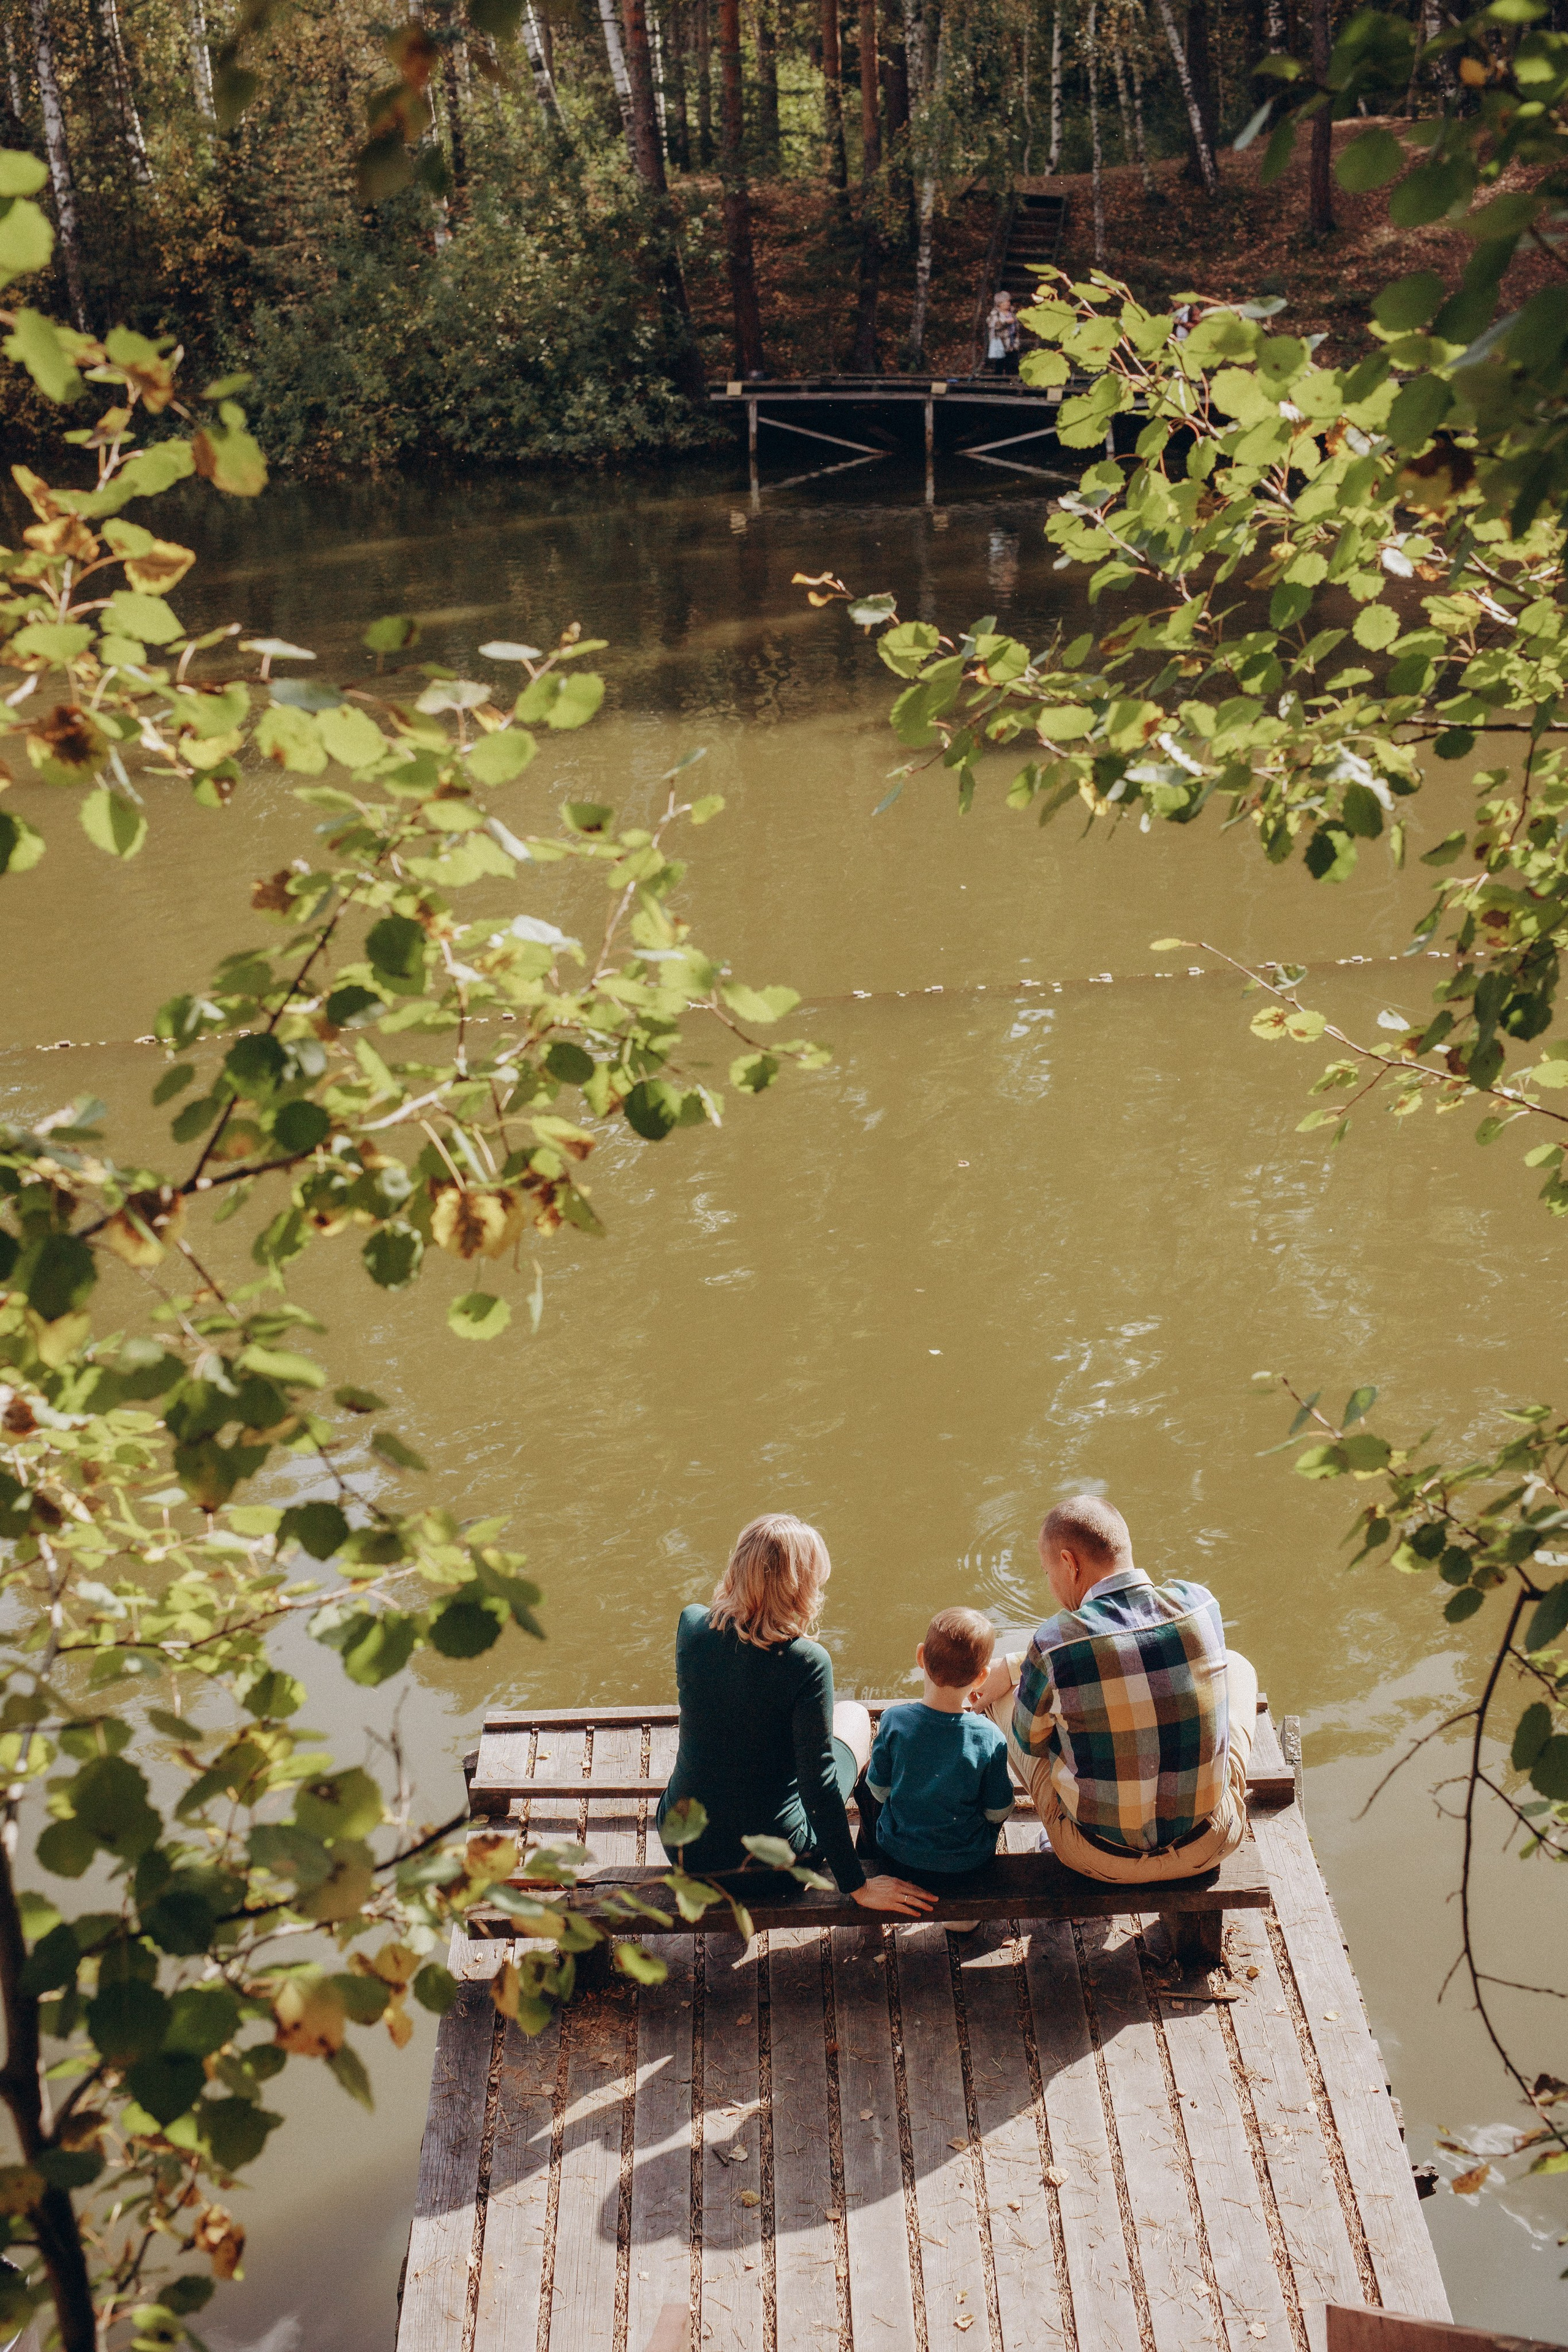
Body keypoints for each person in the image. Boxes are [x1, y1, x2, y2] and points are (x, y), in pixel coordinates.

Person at [657, 1513, 938, 1917]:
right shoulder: (806, 1662)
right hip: (772, 1865)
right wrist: (855, 1884)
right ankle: (870, 1848)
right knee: (855, 1717)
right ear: (800, 1588)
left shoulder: (692, 1625)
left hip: (685, 1849)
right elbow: (818, 1784)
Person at [970, 1495, 1257, 1883]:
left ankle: (1055, 1837)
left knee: (1009, 1703)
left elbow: (1031, 1741)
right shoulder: (1199, 1605)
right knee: (1237, 1665)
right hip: (1208, 1844)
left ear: (1069, 1564)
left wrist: (1018, 1669)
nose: (1050, 1584)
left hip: (1098, 1859)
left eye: (1047, 1571)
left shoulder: (1055, 1642)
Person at [862, 1608, 1016, 1902]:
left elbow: (878, 1792)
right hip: (966, 1866)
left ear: (920, 1656)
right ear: (982, 1677)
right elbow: (998, 1810)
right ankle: (962, 1918)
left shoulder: (894, 1721)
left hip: (896, 1858)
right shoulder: (989, 1737)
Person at [984, 289, 1020, 377]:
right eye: (1005, 302)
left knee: (1013, 365)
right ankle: (998, 383)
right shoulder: (995, 313)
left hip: (1012, 342)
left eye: (1008, 301)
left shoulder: (1012, 312)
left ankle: (1012, 383)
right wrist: (1005, 322)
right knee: (1000, 364)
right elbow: (992, 324)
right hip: (1001, 343)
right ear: (999, 304)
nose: (1008, 303)